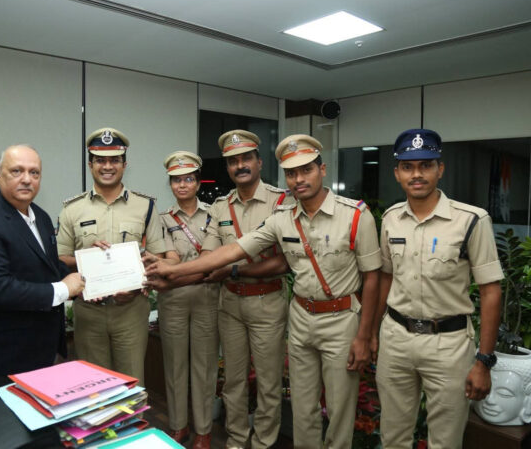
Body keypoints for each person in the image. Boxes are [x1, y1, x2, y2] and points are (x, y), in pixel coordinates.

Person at [147, 134, 381, 448]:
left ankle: (264, 444)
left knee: (303, 395)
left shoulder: (319, 210)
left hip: (299, 308)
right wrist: (172, 273)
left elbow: (370, 276)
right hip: (262, 309)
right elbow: (223, 254)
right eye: (292, 173)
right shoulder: (253, 212)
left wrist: (367, 334)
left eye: (307, 170)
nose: (299, 179)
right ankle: (237, 441)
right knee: (278, 397)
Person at [373, 128, 503, 449]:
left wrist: (484, 361)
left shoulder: (472, 220)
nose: (416, 174)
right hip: (396, 340)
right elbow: (386, 278)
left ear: (440, 169)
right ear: (397, 173)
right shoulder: (390, 219)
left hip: (448, 345)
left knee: (445, 441)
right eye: (408, 167)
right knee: (392, 437)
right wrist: (372, 333)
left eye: (425, 165)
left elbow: (491, 291)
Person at [0, 144, 84, 407]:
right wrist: (65, 289)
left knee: (38, 422)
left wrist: (89, 277)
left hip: (37, 351)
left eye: (34, 173)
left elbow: (48, 268)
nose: (26, 179)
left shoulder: (41, 217)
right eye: (17, 171)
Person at [57, 127, 167, 384]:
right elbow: (61, 259)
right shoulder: (72, 209)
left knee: (132, 383)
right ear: (90, 165)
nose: (107, 166)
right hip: (88, 311)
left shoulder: (145, 206)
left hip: (131, 310)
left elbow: (157, 257)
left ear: (124, 164)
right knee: (93, 385)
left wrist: (138, 285)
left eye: (114, 160)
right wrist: (88, 258)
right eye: (100, 160)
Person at [153, 151, 219, 448]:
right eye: (176, 180)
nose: (182, 185)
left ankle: (204, 431)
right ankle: (178, 426)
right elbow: (164, 263)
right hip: (173, 300)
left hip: (207, 298)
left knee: (204, 367)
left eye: (188, 179)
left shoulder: (214, 214)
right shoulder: (161, 219)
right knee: (175, 366)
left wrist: (178, 271)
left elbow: (215, 260)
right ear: (170, 184)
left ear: (198, 182)